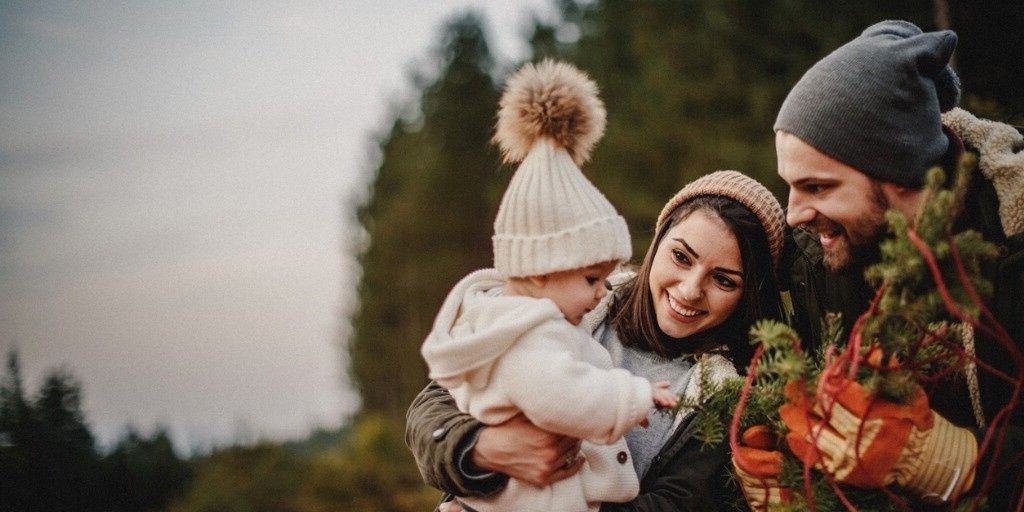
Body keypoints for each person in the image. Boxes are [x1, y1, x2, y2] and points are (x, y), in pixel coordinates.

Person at [731, 19, 1024, 511]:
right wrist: (797, 470)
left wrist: (953, 463)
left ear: (901, 172)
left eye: (817, 187)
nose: (794, 214)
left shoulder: (1012, 245)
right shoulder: (821, 259)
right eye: (790, 184)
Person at [408, 153, 787, 512]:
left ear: (747, 295)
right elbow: (433, 408)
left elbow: (675, 505)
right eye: (681, 257)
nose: (690, 289)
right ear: (658, 244)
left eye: (723, 280)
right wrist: (482, 450)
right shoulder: (570, 305)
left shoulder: (730, 399)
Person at [420, 59, 683, 512]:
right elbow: (565, 395)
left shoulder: (500, 322)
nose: (604, 291)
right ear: (540, 270)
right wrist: (636, 395)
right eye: (590, 278)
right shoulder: (529, 335)